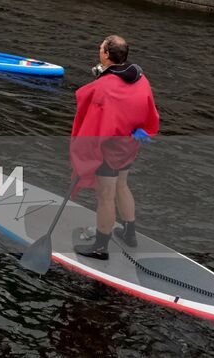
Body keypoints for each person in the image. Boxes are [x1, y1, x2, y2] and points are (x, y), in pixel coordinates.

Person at [70, 35, 161, 260]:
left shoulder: (104, 87)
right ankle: (129, 234)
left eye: (101, 46)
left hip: (109, 149)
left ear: (107, 54)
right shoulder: (140, 78)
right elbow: (146, 110)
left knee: (106, 196)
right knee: (122, 185)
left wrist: (84, 156)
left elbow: (94, 124)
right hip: (129, 143)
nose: (99, 48)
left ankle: (100, 247)